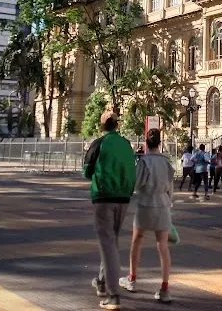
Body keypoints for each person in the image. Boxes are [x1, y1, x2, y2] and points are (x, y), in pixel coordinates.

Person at [84, 110, 136, 310]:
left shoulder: (99, 143)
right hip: (124, 198)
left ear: (103, 124)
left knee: (108, 245)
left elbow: (87, 170)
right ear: (117, 124)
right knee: (111, 241)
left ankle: (113, 295)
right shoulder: (126, 144)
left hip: (104, 198)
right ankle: (101, 281)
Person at [119, 128, 174, 304]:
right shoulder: (167, 162)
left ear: (146, 142)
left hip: (145, 204)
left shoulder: (144, 162)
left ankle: (132, 278)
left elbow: (136, 183)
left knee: (137, 240)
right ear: (160, 142)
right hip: (163, 204)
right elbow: (170, 186)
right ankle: (164, 288)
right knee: (163, 246)